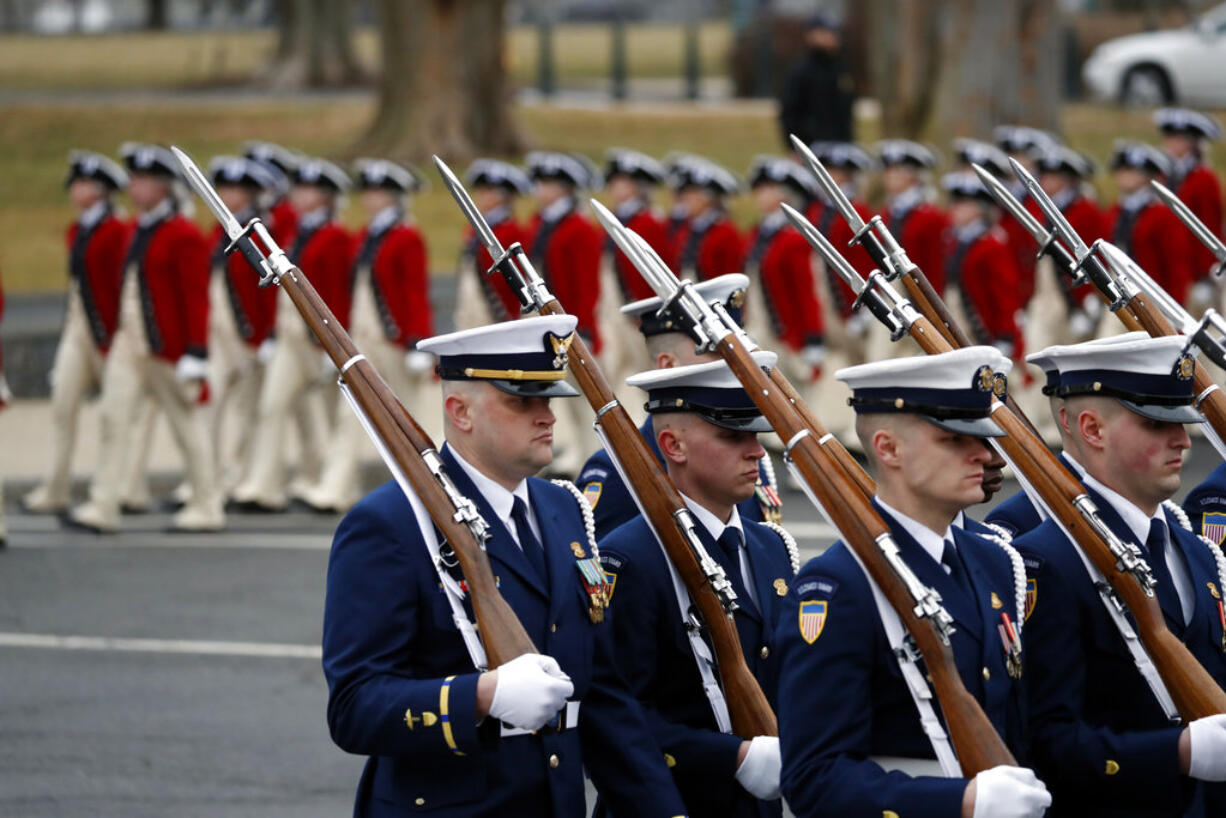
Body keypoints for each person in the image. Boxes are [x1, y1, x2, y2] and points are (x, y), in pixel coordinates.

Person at [322, 314, 690, 818]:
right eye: (522, 401)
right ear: (460, 412)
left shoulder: (564, 510)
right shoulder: (391, 523)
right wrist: (479, 696)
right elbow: (355, 708)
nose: (548, 416)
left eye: (548, 399)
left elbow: (601, 693)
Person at [776, 346, 1050, 817]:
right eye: (954, 438)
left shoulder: (996, 561)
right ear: (888, 448)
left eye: (981, 436)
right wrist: (959, 802)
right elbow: (813, 778)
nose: (984, 454)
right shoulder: (841, 585)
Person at [1012, 335, 1226, 817]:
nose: (1183, 440)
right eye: (1157, 423)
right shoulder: (1047, 560)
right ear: (1092, 429)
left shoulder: (1200, 553)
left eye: (1183, 421)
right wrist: (1180, 751)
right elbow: (1047, 741)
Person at [596, 353, 797, 817]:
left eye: (756, 434)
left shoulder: (772, 550)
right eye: (732, 435)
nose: (757, 451)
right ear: (674, 445)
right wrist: (735, 756)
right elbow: (620, 718)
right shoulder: (631, 558)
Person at [67, 143, 223, 533]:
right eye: (134, 179)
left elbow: (195, 297)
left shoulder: (183, 234)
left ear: (165, 187)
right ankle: (104, 503)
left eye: (146, 180)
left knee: (185, 425)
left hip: (167, 348)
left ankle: (207, 504)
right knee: (112, 418)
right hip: (130, 344)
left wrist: (196, 351)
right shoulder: (134, 229)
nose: (136, 188)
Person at [577, 275, 782, 540]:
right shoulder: (622, 473)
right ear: (668, 366)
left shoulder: (754, 457)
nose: (737, 365)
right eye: (719, 353)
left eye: (739, 352)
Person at [297, 158, 437, 513]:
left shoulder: (407, 236)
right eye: (369, 191)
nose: (371, 198)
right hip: (365, 340)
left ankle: (429, 489)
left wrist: (418, 340)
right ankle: (335, 487)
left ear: (393, 197)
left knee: (405, 422)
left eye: (379, 192)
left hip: (394, 341)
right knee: (352, 416)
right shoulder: (365, 235)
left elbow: (415, 291)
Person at [23, 151, 145, 515]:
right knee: (63, 406)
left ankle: (124, 487)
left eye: (83, 184)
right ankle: (56, 487)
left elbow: (118, 288)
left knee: (118, 414)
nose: (76, 190)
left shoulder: (118, 231)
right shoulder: (77, 230)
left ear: (101, 191)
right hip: (79, 330)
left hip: (109, 333)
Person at [231, 156, 353, 511]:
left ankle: (338, 485)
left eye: (309, 189)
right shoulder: (296, 232)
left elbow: (337, 294)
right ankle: (263, 486)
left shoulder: (336, 236)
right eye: (298, 187)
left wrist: (338, 344)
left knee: (337, 415)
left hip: (322, 340)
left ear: (327, 196)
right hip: (290, 338)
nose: (300, 195)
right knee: (272, 407)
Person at [199, 155, 280, 498]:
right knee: (210, 405)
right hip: (218, 334)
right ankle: (208, 477)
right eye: (225, 188)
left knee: (249, 410)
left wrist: (267, 335)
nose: (229, 195)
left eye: (237, 189)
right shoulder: (217, 233)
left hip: (248, 335)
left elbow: (268, 291)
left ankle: (243, 475)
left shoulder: (259, 233)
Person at [524, 151, 604, 476]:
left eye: (550, 184)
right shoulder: (542, 224)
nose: (541, 189)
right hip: (547, 323)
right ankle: (579, 455)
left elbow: (585, 283)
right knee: (565, 400)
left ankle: (597, 459)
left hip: (570, 324)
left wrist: (582, 325)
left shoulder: (579, 229)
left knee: (586, 400)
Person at [742, 156, 829, 433]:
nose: (761, 195)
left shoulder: (792, 238)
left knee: (797, 402)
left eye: (768, 188)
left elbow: (806, 291)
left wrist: (813, 340)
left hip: (787, 335)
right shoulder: (760, 233)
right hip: (762, 328)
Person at [595, 148, 672, 413]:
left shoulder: (650, 222)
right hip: (613, 308)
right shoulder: (615, 219)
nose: (616, 187)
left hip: (640, 309)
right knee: (615, 370)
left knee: (648, 371)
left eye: (623, 181)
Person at [940, 172, 1024, 362]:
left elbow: (1005, 293)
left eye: (963, 203)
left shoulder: (992, 244)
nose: (955, 208)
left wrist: (1005, 335)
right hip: (957, 321)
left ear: (979, 208)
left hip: (983, 330)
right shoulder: (954, 240)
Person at [1104, 141, 1192, 307]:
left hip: (1153, 300)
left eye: (1129, 170)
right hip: (1118, 298)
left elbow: (1176, 266)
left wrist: (1176, 304)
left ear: (1146, 175)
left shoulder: (1162, 215)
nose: (1122, 175)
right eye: (1120, 170)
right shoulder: (1114, 212)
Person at [1155, 107, 1223, 316]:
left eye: (1178, 138)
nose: (1171, 143)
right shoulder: (1168, 176)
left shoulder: (1204, 178)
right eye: (1169, 137)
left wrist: (1205, 275)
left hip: (1198, 273)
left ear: (1192, 143)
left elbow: (1209, 227)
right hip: (1175, 271)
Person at [453, 159, 530, 330]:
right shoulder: (473, 230)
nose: (483, 196)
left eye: (490, 191)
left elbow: (512, 283)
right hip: (472, 310)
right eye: (481, 190)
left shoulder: (511, 231)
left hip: (498, 315)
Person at [878, 139, 950, 294]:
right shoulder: (887, 213)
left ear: (913, 175)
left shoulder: (931, 217)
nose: (890, 175)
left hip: (922, 297)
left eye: (897, 170)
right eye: (888, 170)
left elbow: (936, 268)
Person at [778, 12, 855, 149]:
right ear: (810, 35)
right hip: (811, 146)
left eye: (833, 32)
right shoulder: (801, 71)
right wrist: (794, 147)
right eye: (824, 32)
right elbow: (789, 113)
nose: (830, 37)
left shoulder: (841, 68)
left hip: (839, 146)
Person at [671, 157, 744, 283]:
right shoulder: (685, 231)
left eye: (691, 194)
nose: (684, 200)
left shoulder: (725, 233)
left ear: (708, 198)